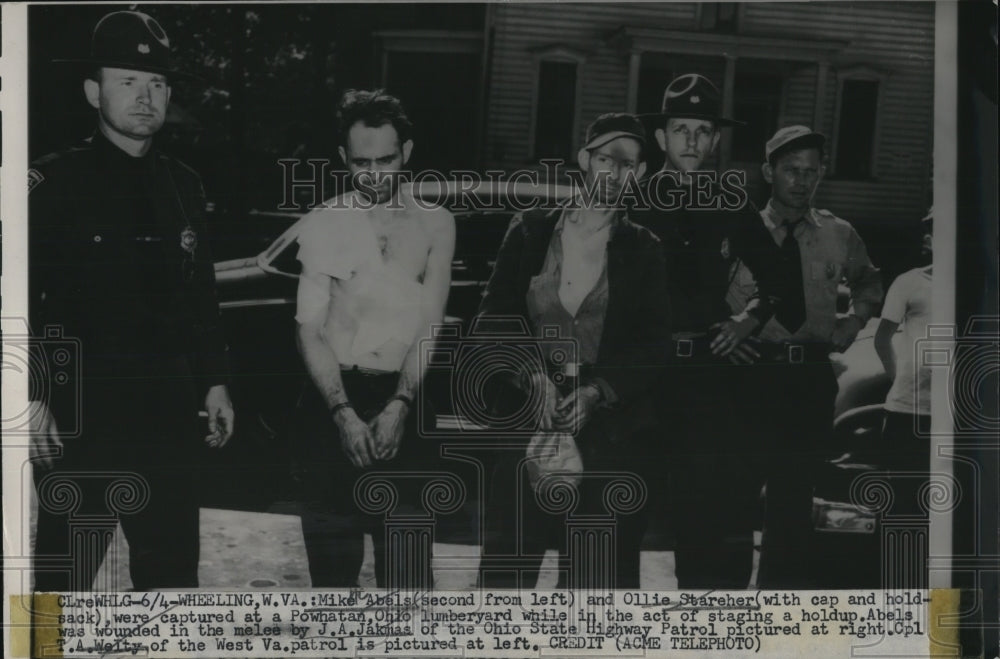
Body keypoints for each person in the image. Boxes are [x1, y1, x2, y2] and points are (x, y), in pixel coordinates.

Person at [29, 11, 234, 591]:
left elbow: (200, 294)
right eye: (127, 81)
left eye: (158, 84)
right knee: (58, 592)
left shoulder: (184, 185)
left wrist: (215, 380)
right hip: (83, 413)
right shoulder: (52, 184)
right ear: (93, 90)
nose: (145, 97)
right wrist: (28, 395)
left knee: (170, 585)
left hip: (168, 414)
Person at [477, 113, 670, 590]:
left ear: (640, 174)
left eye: (628, 164)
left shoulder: (643, 247)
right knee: (508, 570)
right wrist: (531, 375)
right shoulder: (532, 229)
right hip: (529, 421)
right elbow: (490, 321)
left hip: (610, 433)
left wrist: (597, 391)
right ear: (585, 160)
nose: (614, 173)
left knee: (596, 579)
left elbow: (654, 345)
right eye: (605, 158)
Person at [293, 89, 455, 589]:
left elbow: (431, 323)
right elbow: (309, 327)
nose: (374, 174)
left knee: (407, 581)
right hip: (333, 399)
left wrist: (401, 404)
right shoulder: (325, 220)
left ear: (406, 152)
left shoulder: (436, 223)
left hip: (405, 396)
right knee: (333, 582)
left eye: (385, 159)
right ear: (343, 159)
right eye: (360, 162)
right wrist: (341, 413)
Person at [632, 73, 770, 589]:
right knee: (624, 513)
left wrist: (746, 319)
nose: (691, 140)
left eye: (703, 130)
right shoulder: (633, 199)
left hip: (706, 379)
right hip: (639, 381)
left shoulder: (732, 202)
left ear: (715, 141)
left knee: (705, 522)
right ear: (661, 137)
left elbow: (779, 283)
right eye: (680, 128)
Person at [740, 125, 883, 588]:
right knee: (737, 493)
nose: (800, 181)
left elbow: (868, 284)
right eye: (790, 171)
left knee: (793, 495)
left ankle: (775, 603)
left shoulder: (839, 233)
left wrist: (854, 322)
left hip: (809, 379)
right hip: (751, 375)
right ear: (768, 172)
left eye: (810, 172)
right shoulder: (741, 230)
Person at [873, 212, 933, 588]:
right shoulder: (908, 282)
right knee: (897, 508)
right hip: (905, 414)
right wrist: (901, 381)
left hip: (957, 421)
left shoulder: (980, 282)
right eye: (932, 231)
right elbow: (882, 339)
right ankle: (890, 593)